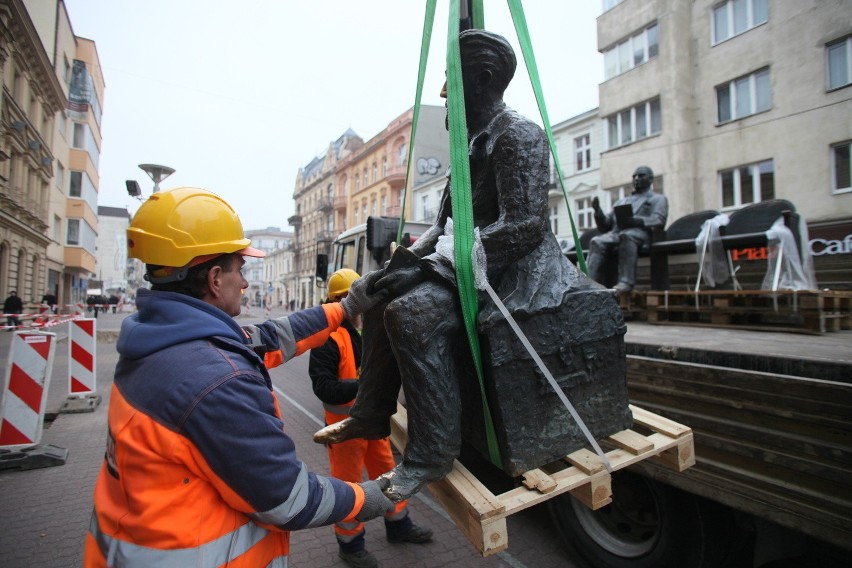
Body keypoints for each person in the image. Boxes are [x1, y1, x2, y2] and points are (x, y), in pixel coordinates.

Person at [315, 29, 595, 502]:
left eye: (451, 79)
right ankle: (370, 411)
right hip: (469, 258)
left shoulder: (519, 135)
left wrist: (429, 270)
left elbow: (523, 226)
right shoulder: (466, 147)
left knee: (411, 314)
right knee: (385, 296)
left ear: (483, 79)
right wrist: (398, 266)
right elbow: (444, 225)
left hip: (512, 266)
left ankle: (431, 453)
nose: (444, 93)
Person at [84, 187, 394, 568]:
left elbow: (270, 336)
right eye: (240, 270)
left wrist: (343, 308)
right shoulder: (217, 379)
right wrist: (374, 497)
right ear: (215, 278)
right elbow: (288, 499)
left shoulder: (162, 338)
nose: (245, 283)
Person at [310, 269, 433, 568]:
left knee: (388, 473)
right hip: (346, 431)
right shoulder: (327, 339)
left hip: (374, 425)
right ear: (339, 300)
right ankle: (350, 546)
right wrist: (364, 385)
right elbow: (324, 387)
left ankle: (399, 524)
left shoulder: (367, 332)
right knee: (348, 486)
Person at [587, 166, 668, 292]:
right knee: (596, 241)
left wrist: (636, 221)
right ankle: (590, 283)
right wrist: (598, 211)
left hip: (640, 233)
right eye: (634, 176)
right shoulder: (622, 201)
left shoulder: (658, 199)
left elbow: (659, 220)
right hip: (617, 233)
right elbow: (606, 225)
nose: (636, 178)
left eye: (641, 175)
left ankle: (626, 282)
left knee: (627, 235)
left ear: (651, 179)